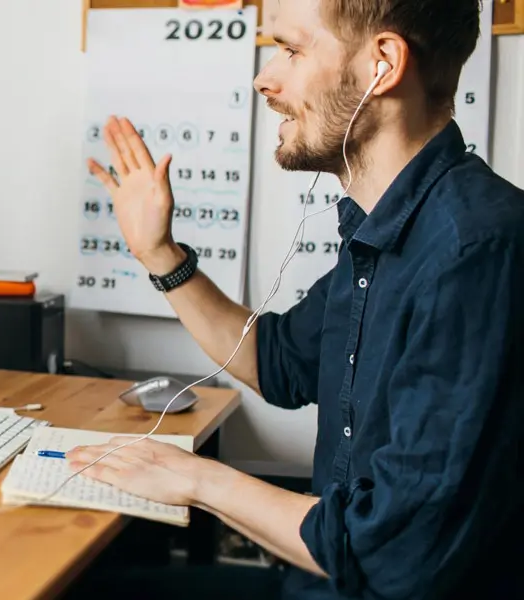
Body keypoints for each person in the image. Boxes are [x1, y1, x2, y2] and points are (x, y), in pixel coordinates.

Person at [70, 1, 524, 599]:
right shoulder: (386, 226)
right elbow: (278, 362)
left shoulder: (475, 250)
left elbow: (392, 555)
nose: (265, 78)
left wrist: (198, 480)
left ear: (383, 64)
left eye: (291, 50)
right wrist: (160, 254)